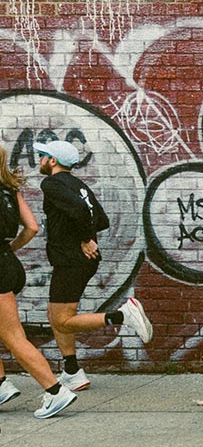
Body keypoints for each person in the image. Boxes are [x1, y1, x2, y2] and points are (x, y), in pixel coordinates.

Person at [36, 139, 152, 391]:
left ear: (53, 161)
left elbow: (80, 212)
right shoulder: (78, 185)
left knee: (62, 321)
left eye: (42, 156)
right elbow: (102, 219)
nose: (39, 160)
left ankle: (122, 315)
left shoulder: (51, 183)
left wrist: (85, 239)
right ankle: (72, 371)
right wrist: (85, 236)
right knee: (55, 315)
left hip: (71, 261)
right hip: (77, 261)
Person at [0, 145, 78, 418]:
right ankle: (0, 386)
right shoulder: (9, 189)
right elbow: (31, 227)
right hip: (8, 263)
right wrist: (9, 248)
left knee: (14, 337)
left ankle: (55, 391)